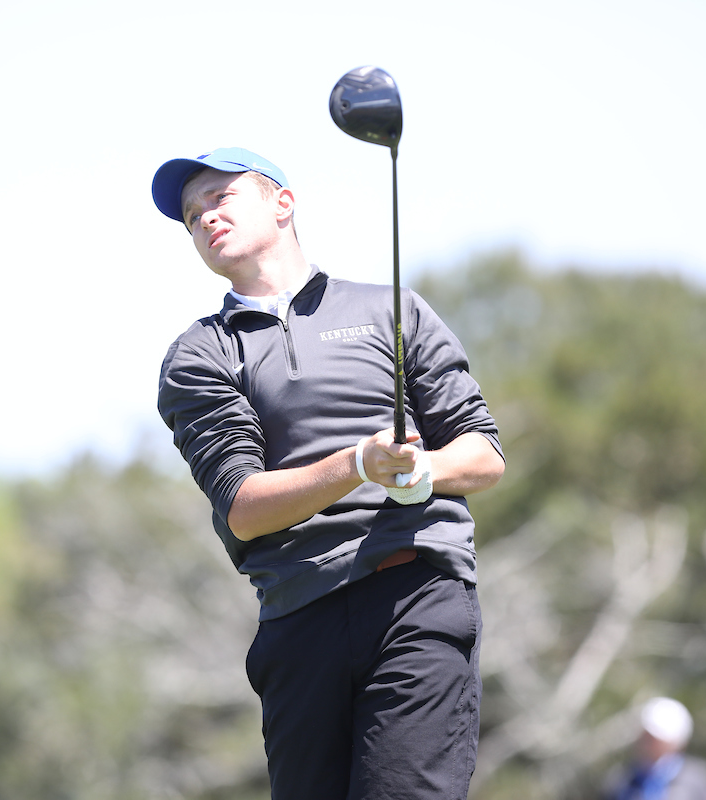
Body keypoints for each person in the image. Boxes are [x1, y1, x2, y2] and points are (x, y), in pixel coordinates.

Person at [153, 147, 505, 800]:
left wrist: (419, 469)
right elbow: (245, 506)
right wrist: (358, 464)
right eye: (190, 216)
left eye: (219, 199)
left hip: (413, 595)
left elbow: (483, 455)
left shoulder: (392, 310)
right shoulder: (201, 355)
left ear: (282, 202)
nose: (203, 219)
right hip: (299, 617)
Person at [602, 697, 706, 800]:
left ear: (677, 743)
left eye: (655, 737)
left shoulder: (699, 779)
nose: (648, 741)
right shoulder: (621, 778)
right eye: (646, 734)